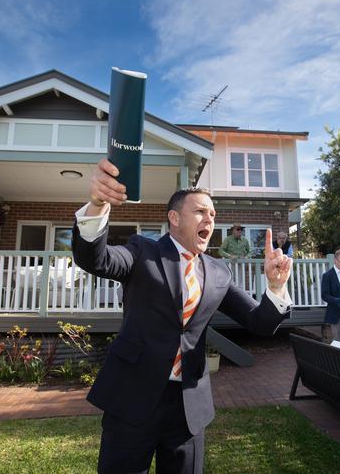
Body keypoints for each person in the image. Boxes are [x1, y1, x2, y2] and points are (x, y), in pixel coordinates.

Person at [73, 158, 293, 474]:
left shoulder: (219, 271)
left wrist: (275, 287)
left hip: (189, 406)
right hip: (134, 397)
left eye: (213, 214)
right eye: (201, 211)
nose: (210, 219)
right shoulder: (142, 251)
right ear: (174, 218)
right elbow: (95, 259)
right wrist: (96, 205)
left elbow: (260, 323)